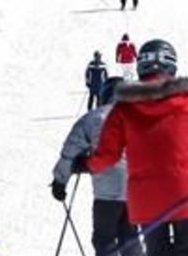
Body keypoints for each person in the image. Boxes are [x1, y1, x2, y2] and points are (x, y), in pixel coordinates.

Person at [89, 40, 188, 256]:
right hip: (186, 195)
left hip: (146, 200)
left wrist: (86, 164)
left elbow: (108, 154)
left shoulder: (125, 108)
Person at [54, 76, 142, 256]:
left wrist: (60, 181)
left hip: (106, 192)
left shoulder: (93, 118)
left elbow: (70, 151)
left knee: (104, 238)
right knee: (129, 235)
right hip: (134, 190)